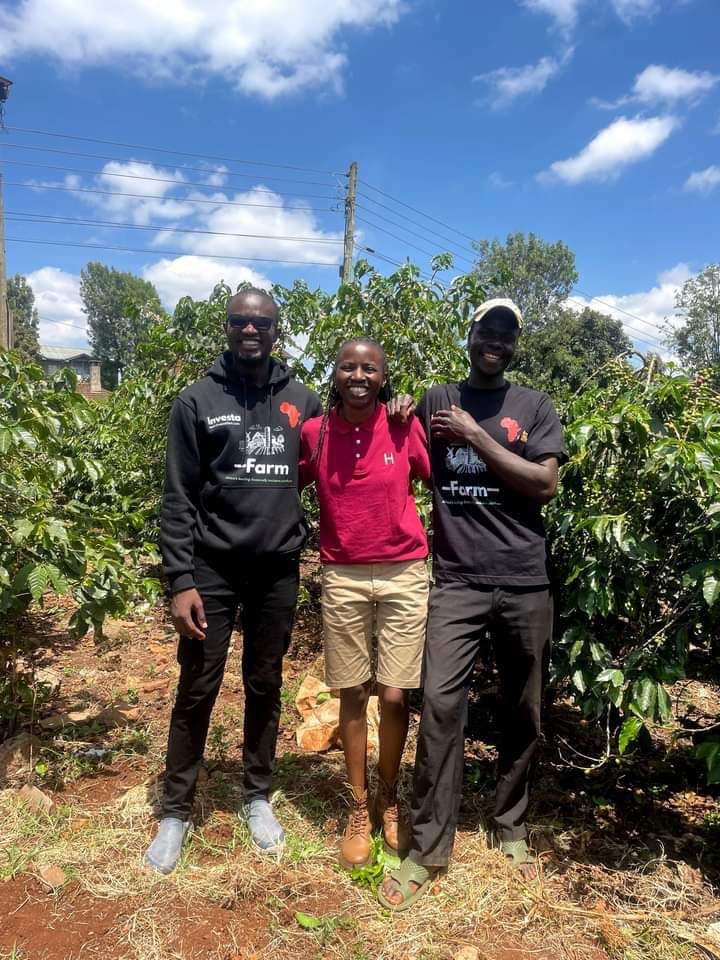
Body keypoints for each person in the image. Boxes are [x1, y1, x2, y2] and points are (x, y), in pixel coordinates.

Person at [378, 298, 568, 910]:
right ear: (471, 335)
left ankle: (509, 824)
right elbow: (391, 436)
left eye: (506, 335)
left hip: (523, 580)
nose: (496, 342)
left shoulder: (534, 406)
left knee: (523, 706)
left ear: (514, 346)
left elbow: (543, 483)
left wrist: (476, 436)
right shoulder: (438, 399)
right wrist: (397, 405)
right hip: (456, 580)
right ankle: (427, 846)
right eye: (488, 331)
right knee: (439, 705)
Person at [144, 287, 322, 874]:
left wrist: (394, 402)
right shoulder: (196, 400)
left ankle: (256, 795)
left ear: (276, 331)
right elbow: (178, 497)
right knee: (198, 684)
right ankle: (176, 810)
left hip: (276, 568)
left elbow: (337, 452)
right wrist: (180, 580)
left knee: (265, 682)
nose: (251, 330)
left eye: (261, 323)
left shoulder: (303, 400)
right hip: (211, 569)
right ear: (226, 327)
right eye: (241, 321)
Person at [299, 338, 431, 869]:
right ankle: (358, 807)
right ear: (334, 375)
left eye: (370, 368)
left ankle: (389, 797)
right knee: (353, 691)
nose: (359, 375)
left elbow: (437, 480)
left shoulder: (403, 425)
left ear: (383, 377)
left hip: (404, 571)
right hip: (343, 573)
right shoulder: (315, 432)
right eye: (348, 367)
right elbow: (283, 487)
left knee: (395, 695)